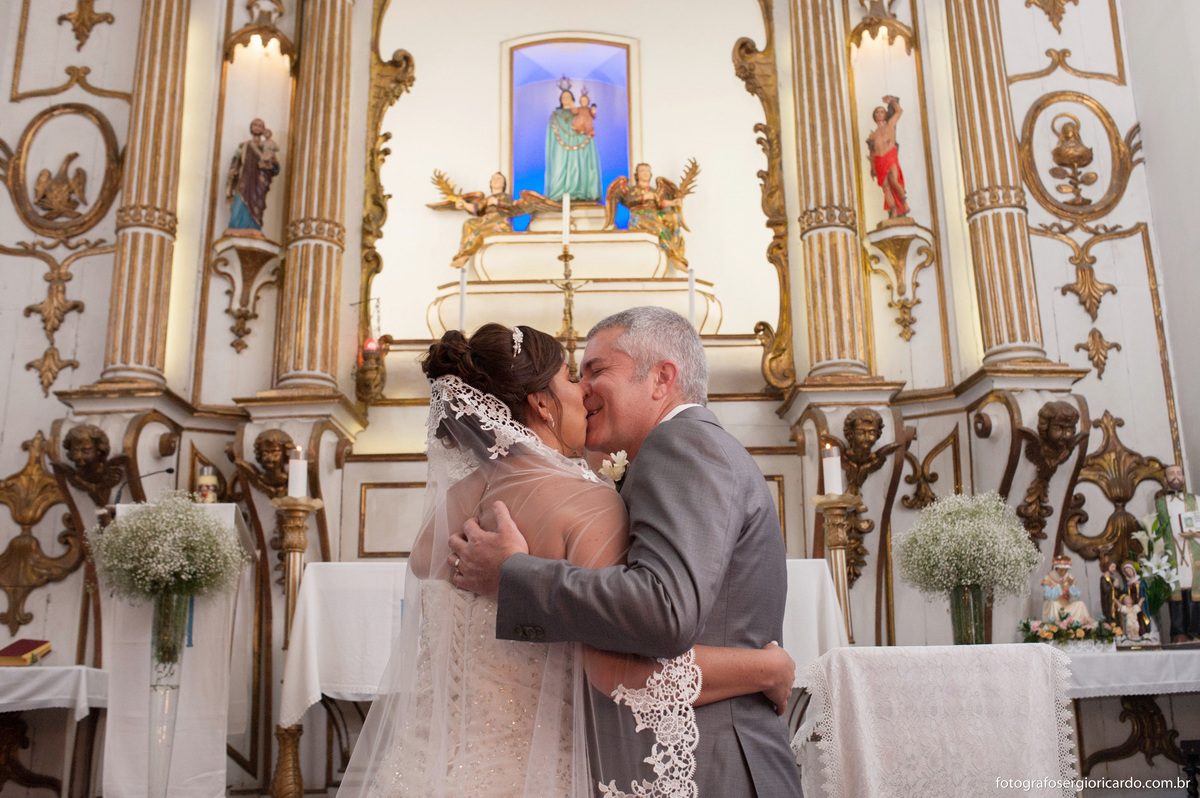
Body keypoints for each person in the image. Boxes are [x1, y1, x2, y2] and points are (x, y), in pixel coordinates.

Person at [337, 323, 795, 798]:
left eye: (594, 371)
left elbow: (425, 572)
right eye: (573, 377)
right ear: (540, 403)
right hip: (532, 773)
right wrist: (766, 669)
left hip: (427, 771)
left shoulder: (454, 507)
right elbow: (613, 671)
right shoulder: (587, 504)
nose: (583, 389)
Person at [1150, 465, 1200, 642]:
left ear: (1184, 478)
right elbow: (1157, 531)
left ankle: (1195, 632)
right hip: (1173, 554)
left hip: (1193, 550)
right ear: (1165, 479)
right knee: (1175, 592)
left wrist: (1194, 534)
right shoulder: (1160, 503)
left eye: (1179, 473)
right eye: (1171, 474)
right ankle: (1178, 632)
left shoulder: (1195, 500)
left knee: (1195, 594)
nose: (1176, 477)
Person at [450, 172, 528, 269]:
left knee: (478, 232)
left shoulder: (505, 196)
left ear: (504, 184)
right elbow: (477, 208)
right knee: (468, 223)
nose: (495, 181)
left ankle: (465, 257)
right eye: (493, 179)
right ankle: (461, 254)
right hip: (486, 221)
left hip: (498, 221)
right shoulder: (487, 199)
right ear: (490, 184)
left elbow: (510, 206)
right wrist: (464, 204)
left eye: (499, 179)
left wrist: (497, 202)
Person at [545, 86, 602, 202]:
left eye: (568, 96)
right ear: (560, 100)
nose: (565, 98)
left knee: (578, 166)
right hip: (560, 146)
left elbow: (587, 123)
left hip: (579, 145)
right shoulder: (555, 115)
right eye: (563, 96)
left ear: (573, 99)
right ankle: (558, 193)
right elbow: (551, 136)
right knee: (558, 167)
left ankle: (580, 192)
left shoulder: (580, 112)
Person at [225, 118, 281, 233]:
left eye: (260, 126)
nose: (257, 127)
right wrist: (232, 171)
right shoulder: (244, 146)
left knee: (257, 203)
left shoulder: (267, 146)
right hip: (245, 179)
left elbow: (275, 168)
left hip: (259, 182)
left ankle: (253, 227)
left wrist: (273, 162)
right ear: (251, 128)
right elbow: (237, 161)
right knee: (239, 201)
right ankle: (235, 227)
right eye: (255, 125)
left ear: (263, 130)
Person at [866, 95, 909, 218]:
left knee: (894, 180)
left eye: (882, 112)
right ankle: (893, 208)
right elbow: (872, 153)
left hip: (889, 156)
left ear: (885, 115)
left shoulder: (890, 125)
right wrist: (872, 167)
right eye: (877, 112)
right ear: (875, 116)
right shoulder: (872, 135)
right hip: (879, 160)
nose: (880, 114)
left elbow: (899, 111)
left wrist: (892, 101)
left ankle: (904, 203)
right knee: (885, 186)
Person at [1040, 556, 1092, 623]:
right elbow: (1048, 597)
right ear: (1057, 568)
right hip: (1055, 604)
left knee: (1080, 604)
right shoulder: (1049, 578)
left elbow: (1077, 597)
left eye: (1066, 570)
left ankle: (1078, 624)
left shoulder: (1068, 577)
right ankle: (1054, 626)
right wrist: (1059, 587)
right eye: (1061, 570)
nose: (1064, 572)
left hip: (1067, 604)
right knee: (1054, 604)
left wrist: (1071, 587)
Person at [1120, 561, 1151, 637]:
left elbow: (1144, 590)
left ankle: (1143, 631)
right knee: (1132, 618)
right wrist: (1128, 586)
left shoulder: (1139, 580)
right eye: (1127, 572)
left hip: (1139, 600)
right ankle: (1134, 633)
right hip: (1131, 602)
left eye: (1129, 570)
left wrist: (1139, 585)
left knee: (1140, 616)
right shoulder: (1126, 583)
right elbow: (1125, 593)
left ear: (1133, 570)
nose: (1128, 573)